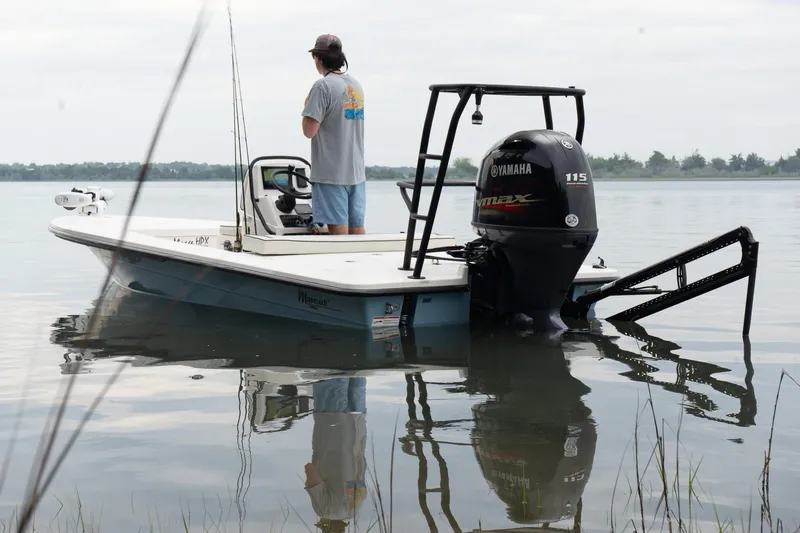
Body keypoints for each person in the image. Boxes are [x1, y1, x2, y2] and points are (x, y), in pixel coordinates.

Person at [301, 34, 366, 235]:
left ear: (319, 59)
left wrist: (306, 105)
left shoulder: (322, 86)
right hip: (356, 173)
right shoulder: (355, 85)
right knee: (357, 231)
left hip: (331, 174)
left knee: (339, 235)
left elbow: (308, 131)